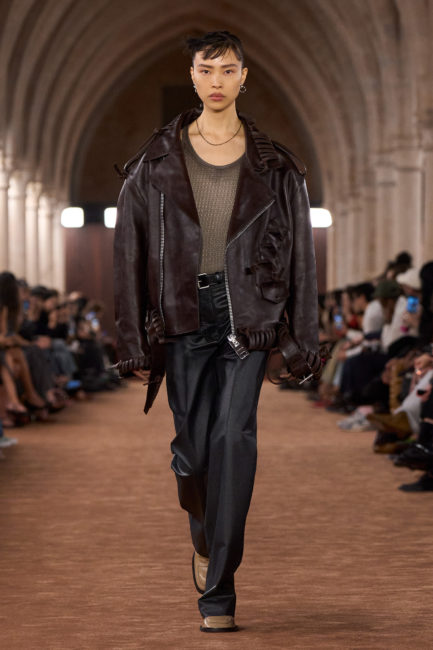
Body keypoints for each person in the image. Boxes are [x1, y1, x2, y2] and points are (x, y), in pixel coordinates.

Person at [113, 30, 321, 633]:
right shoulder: (153, 164)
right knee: (193, 453)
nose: (217, 81)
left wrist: (303, 339)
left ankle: (219, 592)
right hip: (181, 318)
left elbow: (303, 260)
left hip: (249, 319)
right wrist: (131, 340)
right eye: (206, 70)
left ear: (244, 77)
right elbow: (128, 253)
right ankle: (205, 540)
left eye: (228, 70)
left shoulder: (277, 168)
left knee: (234, 440)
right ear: (193, 75)